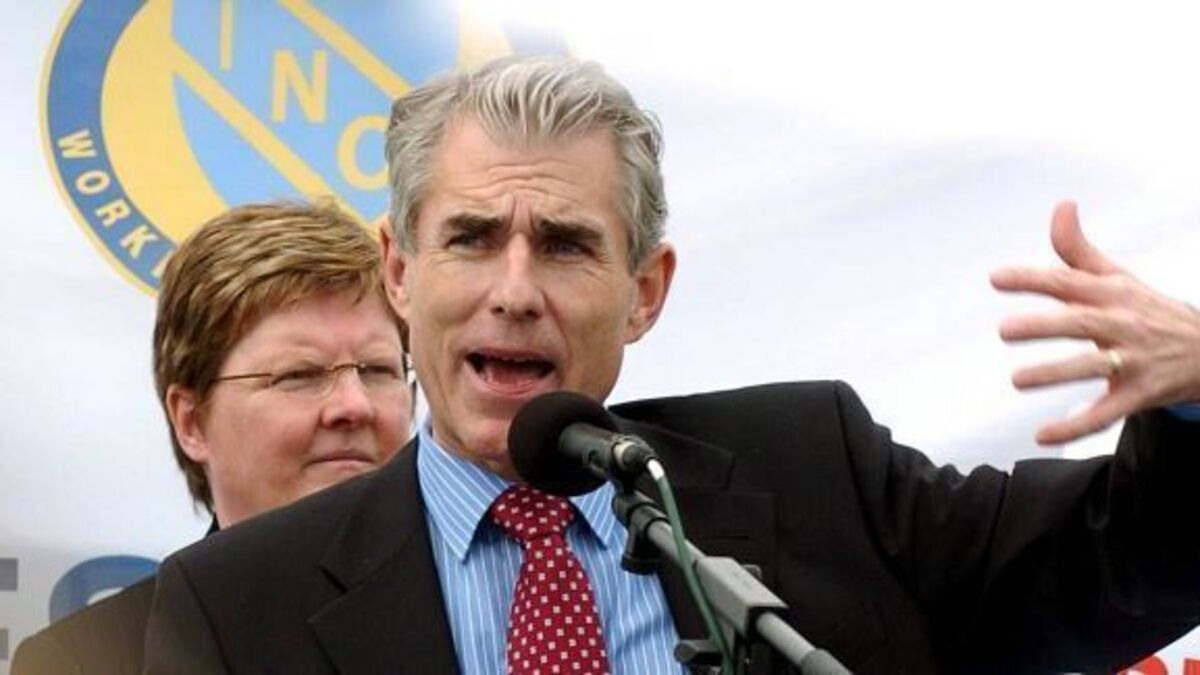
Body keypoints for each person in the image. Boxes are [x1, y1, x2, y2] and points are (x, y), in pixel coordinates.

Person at [142, 57, 1200, 674]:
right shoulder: (236, 605)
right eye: (471, 238)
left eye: (566, 245)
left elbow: (1120, 568)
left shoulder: (813, 470)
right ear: (400, 271)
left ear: (645, 290)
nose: (515, 288)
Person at [12, 201, 414, 674]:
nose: (354, 405)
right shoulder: (86, 662)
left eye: (377, 370)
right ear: (192, 422)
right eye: (299, 375)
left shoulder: (479, 609)